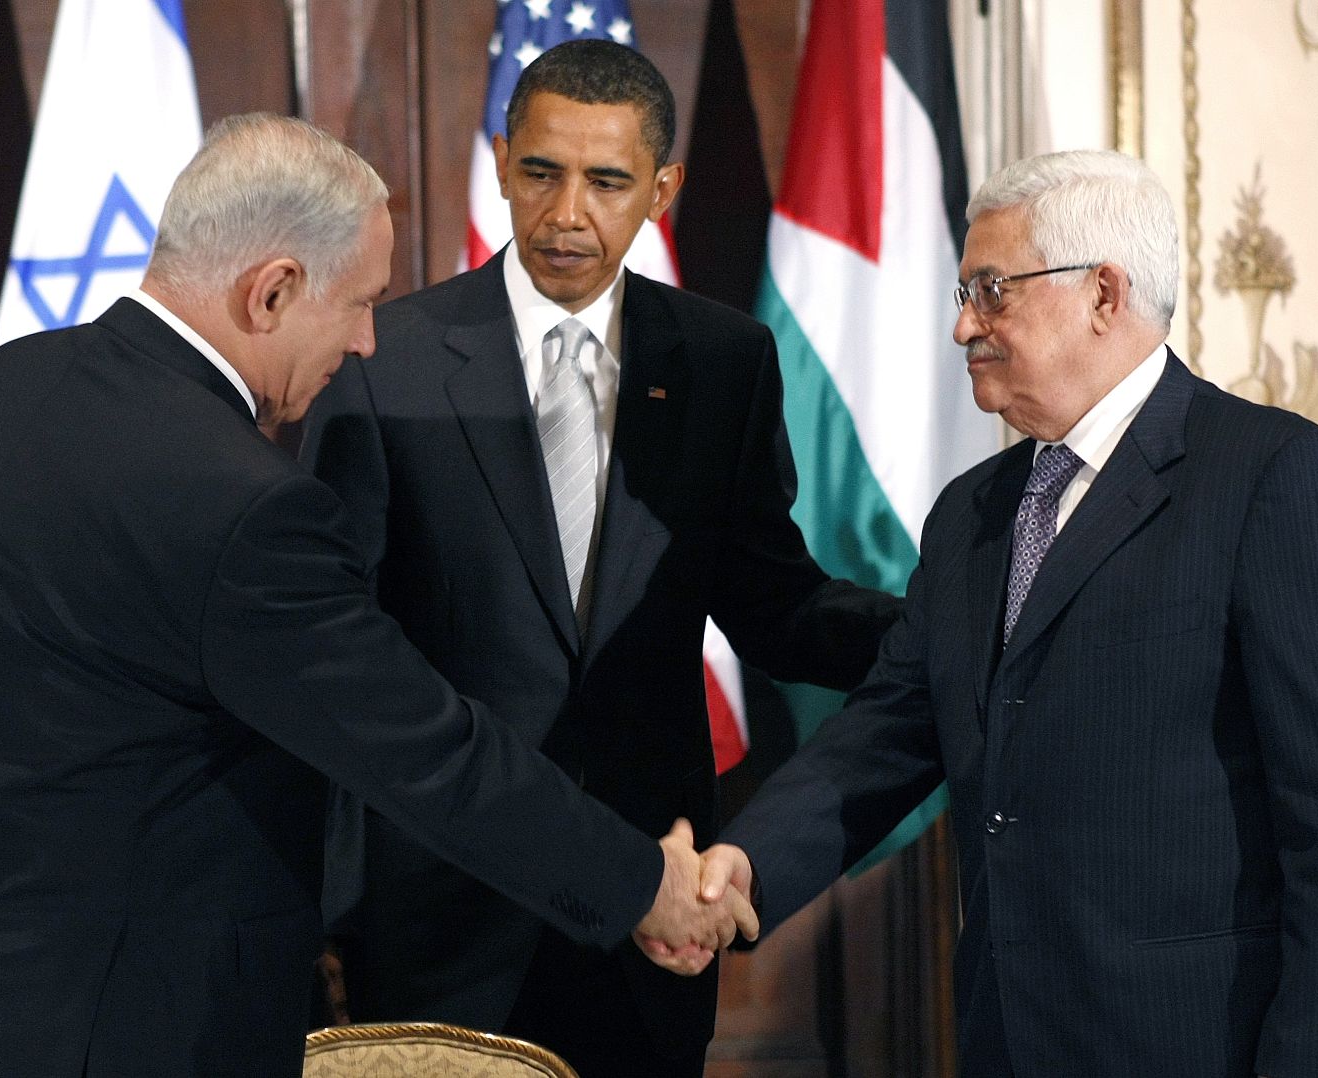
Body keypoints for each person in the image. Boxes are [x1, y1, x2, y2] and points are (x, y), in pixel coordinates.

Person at [0, 113, 755, 1078]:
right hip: (128, 1039)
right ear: (271, 290)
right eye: (359, 303)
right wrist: (641, 883)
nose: (366, 341)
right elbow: (426, 752)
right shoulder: (243, 508)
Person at [698, 149, 1318, 1077]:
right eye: (964, 292)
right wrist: (747, 866)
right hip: (1013, 1041)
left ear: (1104, 294)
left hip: (1207, 1048)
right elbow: (889, 731)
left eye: (992, 291)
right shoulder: (971, 514)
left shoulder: (1273, 477)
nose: (963, 324)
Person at [301, 40, 900, 1078]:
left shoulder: (723, 363)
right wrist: (338, 905)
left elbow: (774, 605)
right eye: (541, 172)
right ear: (501, 164)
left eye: (607, 182)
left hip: (647, 908)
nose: (567, 213)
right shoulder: (383, 363)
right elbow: (335, 656)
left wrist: (955, 628)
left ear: (661, 190)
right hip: (443, 914)